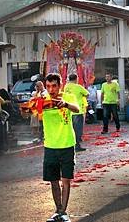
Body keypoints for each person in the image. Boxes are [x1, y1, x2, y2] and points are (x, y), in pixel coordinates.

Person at [42, 73, 79, 222]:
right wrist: (26, 109)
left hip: (67, 144)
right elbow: (27, 113)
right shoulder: (42, 100)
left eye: (54, 86)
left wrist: (65, 104)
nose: (51, 89)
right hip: (50, 146)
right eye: (48, 86)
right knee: (53, 180)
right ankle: (57, 210)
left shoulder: (67, 97)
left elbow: (76, 109)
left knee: (65, 180)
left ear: (60, 85)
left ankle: (64, 212)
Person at [64, 74, 89, 152]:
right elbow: (87, 94)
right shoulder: (79, 87)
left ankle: (70, 145)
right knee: (78, 130)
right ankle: (77, 146)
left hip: (68, 110)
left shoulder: (66, 87)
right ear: (76, 79)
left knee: (70, 129)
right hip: (77, 111)